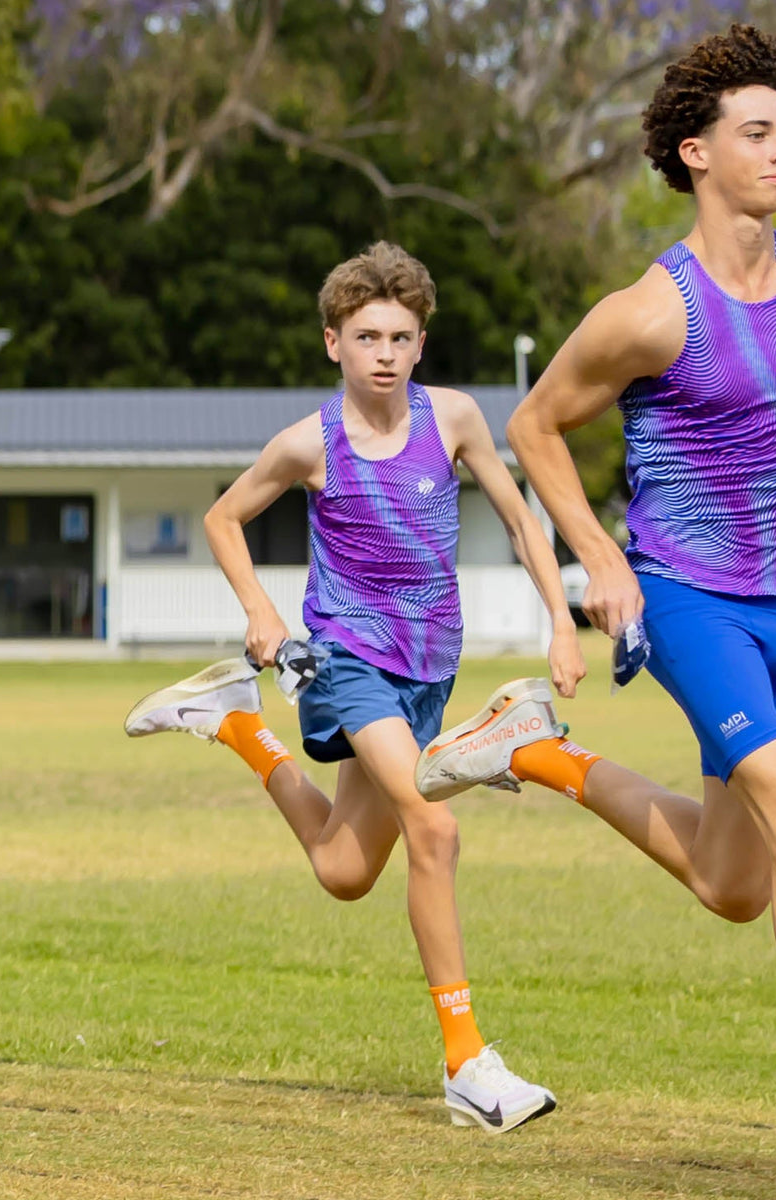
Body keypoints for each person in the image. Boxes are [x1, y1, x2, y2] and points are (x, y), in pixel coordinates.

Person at [415, 26, 776, 1199]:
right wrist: (600, 559)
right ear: (697, 152)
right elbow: (535, 425)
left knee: (738, 884)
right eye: (757, 132)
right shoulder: (649, 311)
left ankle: (532, 750)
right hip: (689, 601)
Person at [124, 240, 585, 1133]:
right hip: (346, 658)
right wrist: (261, 610)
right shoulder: (311, 442)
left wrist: (562, 622)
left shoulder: (455, 418)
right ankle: (467, 1064)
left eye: (401, 337)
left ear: (421, 344)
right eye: (367, 336)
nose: (385, 353)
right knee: (434, 827)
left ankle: (237, 726)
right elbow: (224, 517)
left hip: (429, 668)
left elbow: (520, 519)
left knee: (343, 871)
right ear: (333, 342)